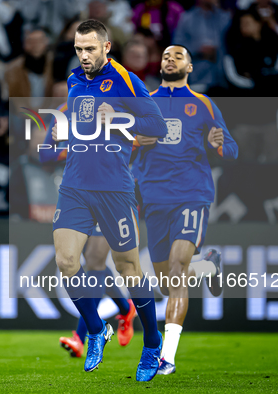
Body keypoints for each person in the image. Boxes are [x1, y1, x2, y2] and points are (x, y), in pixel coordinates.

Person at [49, 19, 167, 380]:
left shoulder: (126, 81)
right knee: (67, 262)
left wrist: (120, 117)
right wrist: (63, 128)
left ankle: (152, 343)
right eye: (78, 49)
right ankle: (97, 330)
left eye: (90, 49)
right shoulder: (73, 80)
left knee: (128, 268)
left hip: (115, 188)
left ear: (106, 47)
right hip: (75, 186)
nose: (83, 56)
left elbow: (158, 127)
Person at [132, 45, 239, 375]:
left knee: (178, 270)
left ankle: (167, 357)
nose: (169, 59)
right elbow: (122, 147)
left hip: (191, 195)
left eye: (177, 56)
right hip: (154, 200)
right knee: (167, 283)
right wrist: (136, 141)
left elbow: (231, 150)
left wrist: (219, 142)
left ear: (190, 66)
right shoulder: (144, 103)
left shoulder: (203, 104)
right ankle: (208, 265)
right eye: (165, 55)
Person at [38, 86, 137, 358]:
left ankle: (82, 336)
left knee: (94, 262)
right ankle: (125, 308)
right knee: (81, 263)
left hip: (111, 195)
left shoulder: (111, 112)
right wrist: (64, 148)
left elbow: (136, 143)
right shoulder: (61, 114)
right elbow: (44, 155)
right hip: (78, 196)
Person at [172, 0, 231, 92]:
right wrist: (198, 50)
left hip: (223, 77)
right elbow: (177, 47)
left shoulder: (224, 17)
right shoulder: (186, 18)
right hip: (197, 77)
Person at [5, 27, 53, 98]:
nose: (35, 46)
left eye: (39, 41)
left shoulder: (55, 65)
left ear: (46, 42)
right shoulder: (13, 69)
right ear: (24, 44)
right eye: (31, 42)